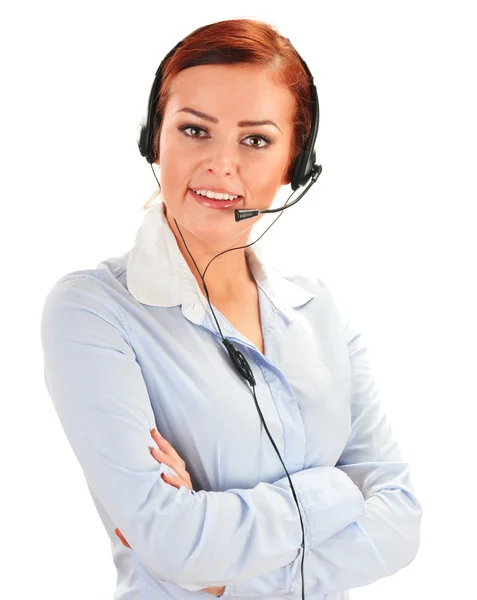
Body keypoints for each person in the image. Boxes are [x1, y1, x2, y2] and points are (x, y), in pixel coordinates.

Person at [40, 17, 422, 600]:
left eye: (255, 140)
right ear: (155, 138)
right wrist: (338, 491)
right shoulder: (92, 311)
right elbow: (172, 544)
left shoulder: (320, 309)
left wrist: (225, 578)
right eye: (195, 130)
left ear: (296, 164)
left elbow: (400, 523)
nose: (221, 164)